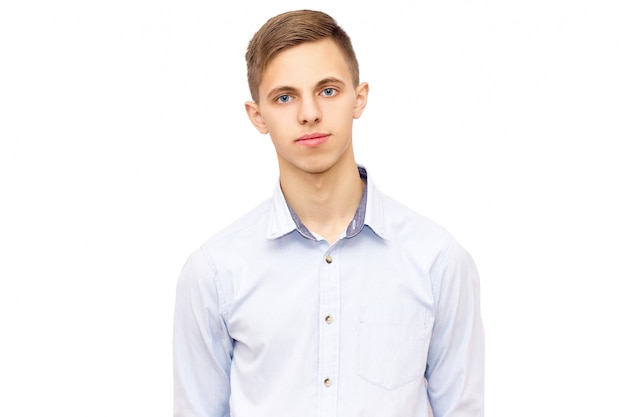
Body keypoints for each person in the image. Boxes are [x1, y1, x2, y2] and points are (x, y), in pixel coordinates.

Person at [173, 9, 484, 417]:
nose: (309, 114)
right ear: (257, 116)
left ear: (360, 97)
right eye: (285, 97)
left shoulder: (438, 261)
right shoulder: (214, 272)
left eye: (328, 90)